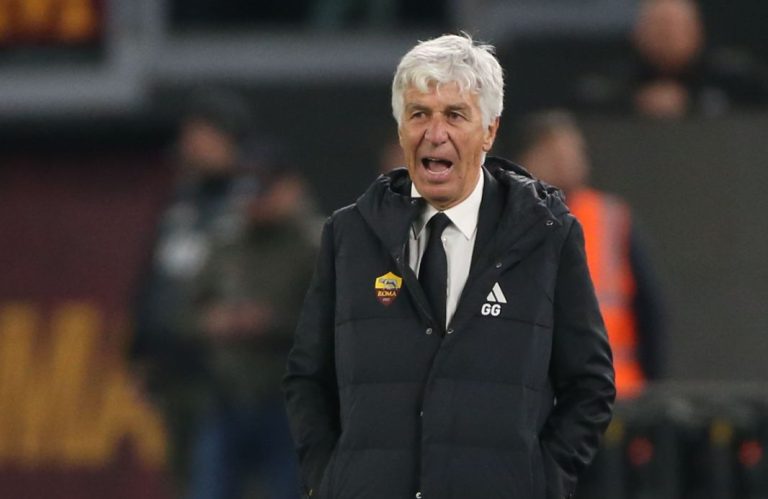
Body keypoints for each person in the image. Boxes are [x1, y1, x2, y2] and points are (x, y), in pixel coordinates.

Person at [283, 34, 615, 499]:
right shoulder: (348, 235)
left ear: (490, 131)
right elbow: (308, 379)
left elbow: (589, 385)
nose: (435, 133)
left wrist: (542, 482)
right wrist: (329, 481)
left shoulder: (546, 235)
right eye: (419, 114)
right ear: (401, 130)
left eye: (455, 115)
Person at [129, 89, 255, 496]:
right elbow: (158, 280)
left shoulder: (252, 204)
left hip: (230, 374)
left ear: (227, 139)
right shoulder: (182, 204)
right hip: (176, 370)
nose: (191, 146)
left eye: (200, 135)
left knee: (232, 480)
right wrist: (142, 352)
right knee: (186, 480)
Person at [186, 162, 318, 499]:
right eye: (246, 196)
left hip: (284, 397)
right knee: (210, 489)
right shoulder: (224, 247)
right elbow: (183, 312)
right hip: (225, 394)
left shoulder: (307, 249)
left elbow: (328, 321)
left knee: (288, 489)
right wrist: (210, 321)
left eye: (261, 195)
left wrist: (270, 323)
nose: (252, 204)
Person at [516, 110, 667, 399]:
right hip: (538, 398)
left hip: (615, 393)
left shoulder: (611, 218)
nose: (566, 161)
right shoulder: (507, 221)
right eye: (553, 152)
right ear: (526, 159)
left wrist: (654, 388)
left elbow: (651, 310)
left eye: (573, 151)